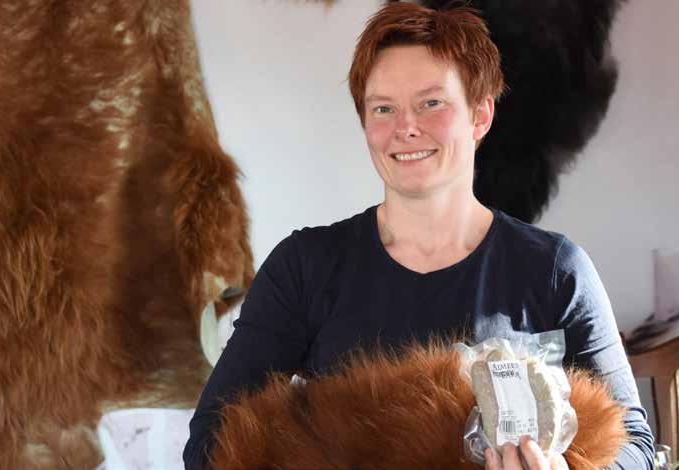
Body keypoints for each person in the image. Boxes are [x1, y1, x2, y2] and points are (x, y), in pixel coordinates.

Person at [183, 3, 654, 469]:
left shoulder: (556, 271)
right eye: (383, 108)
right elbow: (208, 444)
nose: (405, 128)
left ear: (480, 115)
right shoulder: (304, 267)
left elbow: (636, 446)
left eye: (431, 103)